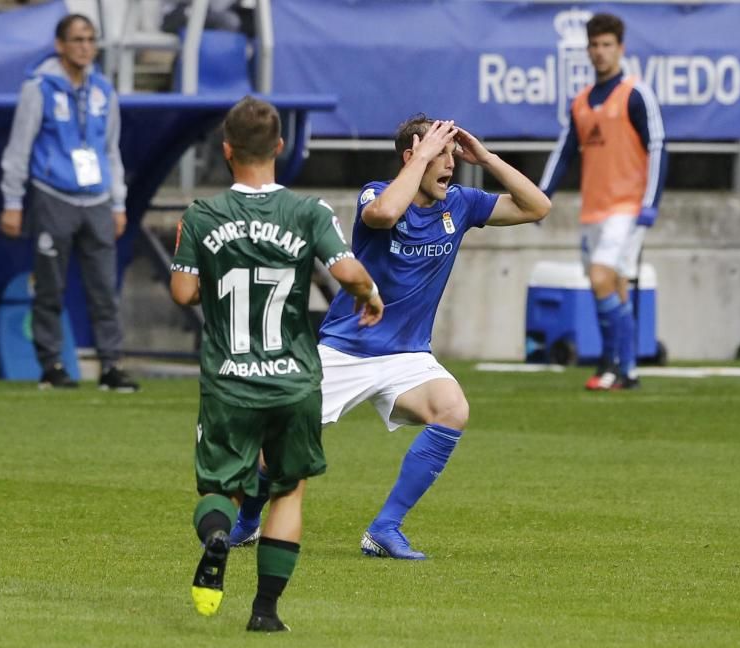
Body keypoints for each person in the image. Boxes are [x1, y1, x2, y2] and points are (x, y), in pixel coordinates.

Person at [230, 115, 551, 560]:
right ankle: (247, 520)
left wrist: (487, 158)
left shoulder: (460, 204)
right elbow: (382, 216)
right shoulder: (377, 193)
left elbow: (538, 207)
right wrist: (420, 159)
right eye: (440, 154)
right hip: (346, 349)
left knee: (452, 408)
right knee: (281, 449)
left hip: (407, 356)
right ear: (412, 157)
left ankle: (385, 528)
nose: (450, 165)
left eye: (451, 155)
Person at [171, 96, 383, 631]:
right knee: (288, 489)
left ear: (226, 150)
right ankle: (265, 613)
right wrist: (368, 293)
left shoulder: (201, 215)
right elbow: (349, 270)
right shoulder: (309, 212)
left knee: (219, 489)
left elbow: (182, 292)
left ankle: (218, 537)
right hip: (292, 380)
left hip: (229, 379)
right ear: (280, 147)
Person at [0, 14, 138, 392]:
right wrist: (12, 200)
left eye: (91, 39)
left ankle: (111, 365)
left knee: (103, 287)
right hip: (53, 194)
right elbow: (19, 147)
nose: (85, 47)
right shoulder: (39, 87)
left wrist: (118, 202)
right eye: (77, 39)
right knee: (49, 285)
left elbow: (111, 151)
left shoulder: (103, 91)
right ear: (60, 44)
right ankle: (52, 364)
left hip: (96, 198)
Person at [539, 12, 667, 391]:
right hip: (593, 209)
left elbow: (658, 146)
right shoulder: (580, 102)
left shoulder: (635, 93)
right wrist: (542, 196)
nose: (599, 52)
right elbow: (564, 152)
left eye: (606, 44)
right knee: (616, 284)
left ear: (620, 48)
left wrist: (651, 201)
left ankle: (611, 363)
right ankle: (627, 370)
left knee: (600, 278)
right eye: (594, 45)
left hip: (626, 208)